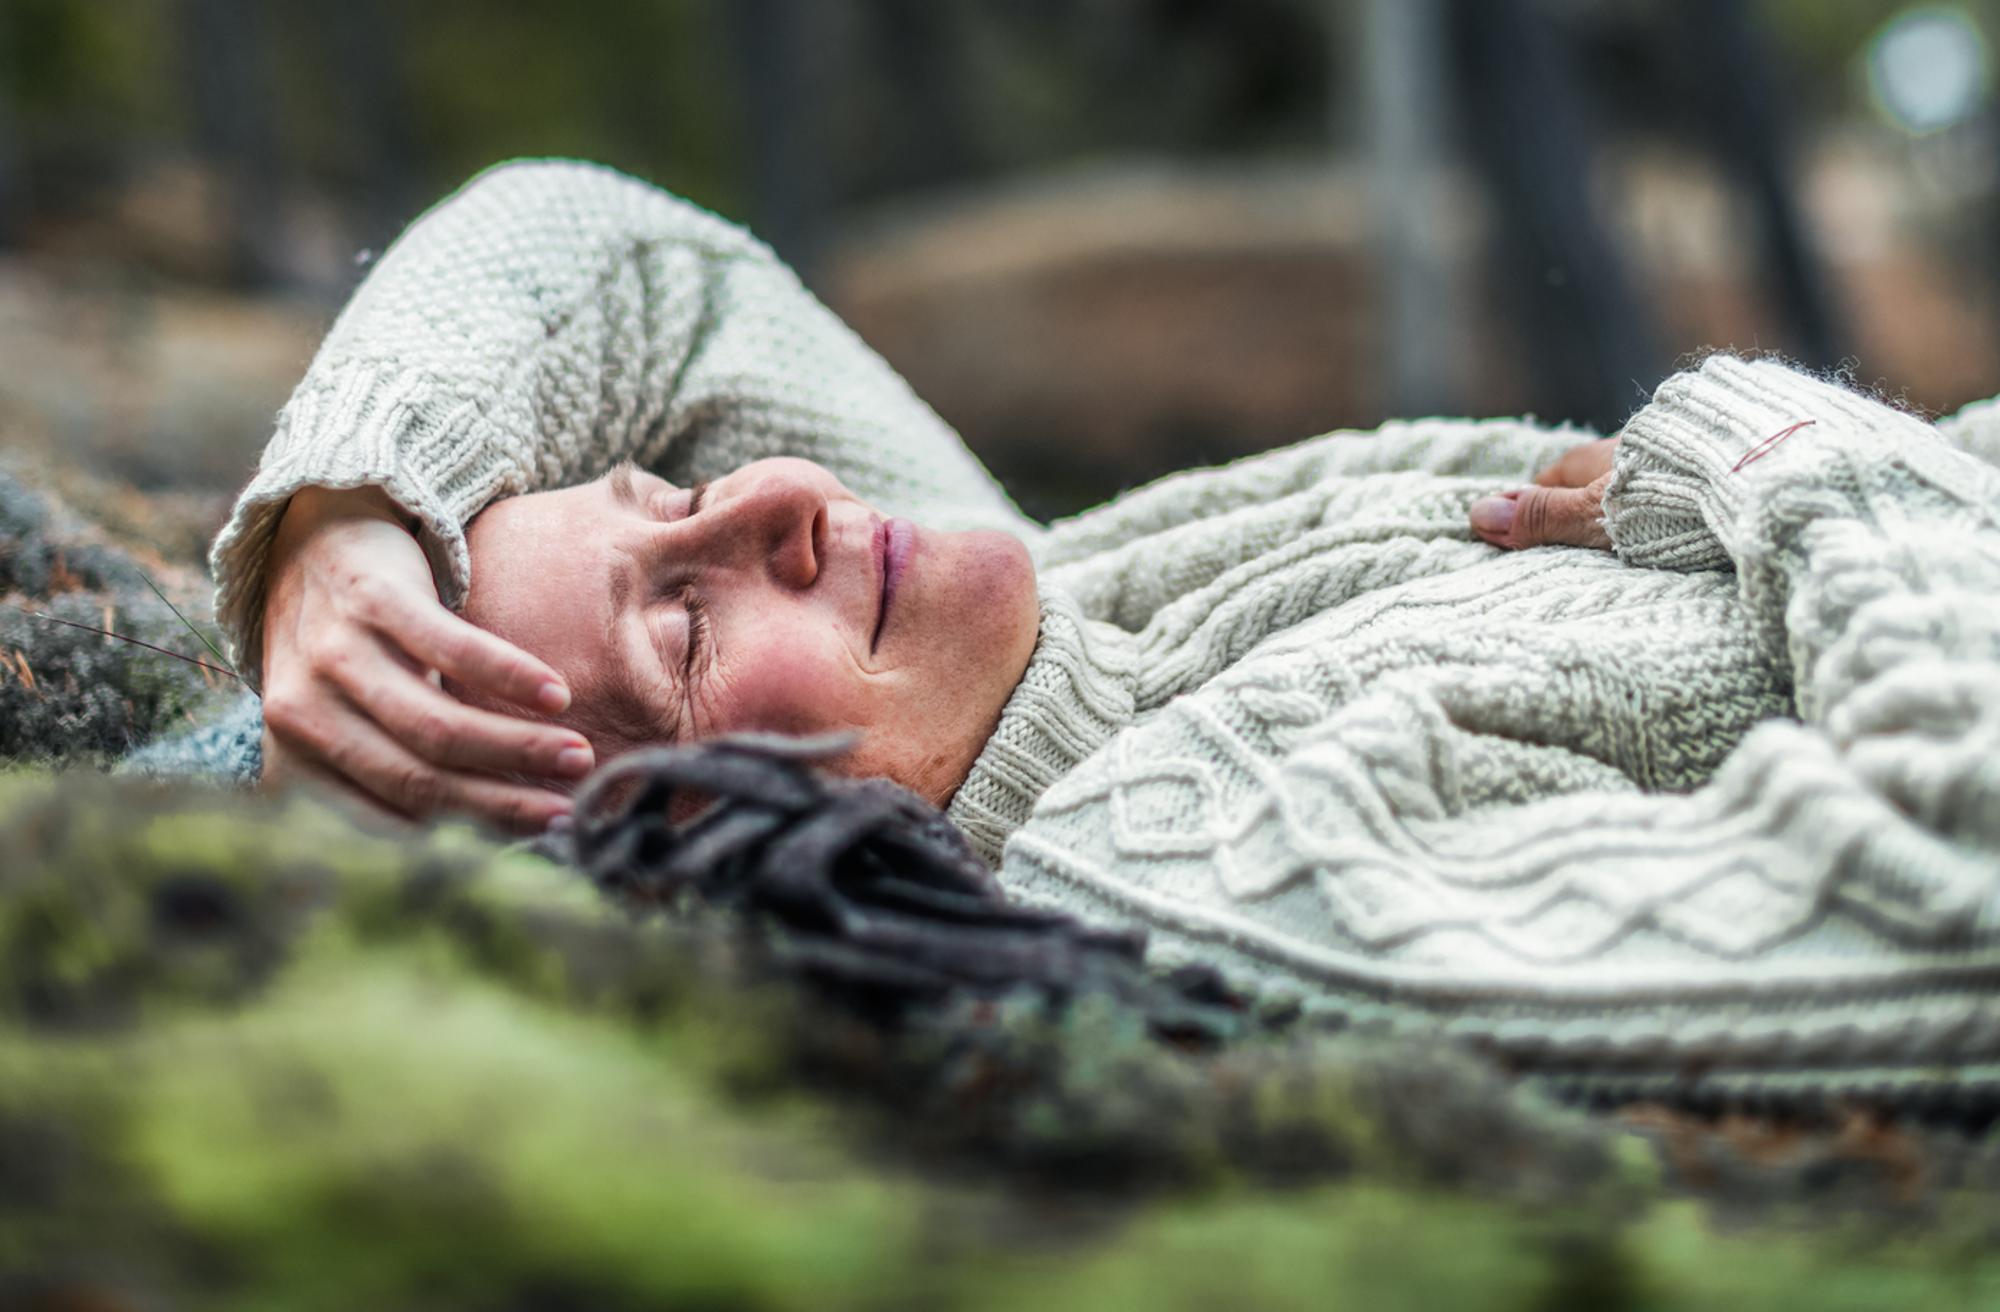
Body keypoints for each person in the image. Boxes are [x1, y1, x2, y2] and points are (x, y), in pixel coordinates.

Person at [174, 159, 2000, 1105]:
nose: (775, 501)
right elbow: (1958, 907)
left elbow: (634, 266)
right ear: (692, 847)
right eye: (683, 631)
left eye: (670, 489)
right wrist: (1774, 459)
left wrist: (348, 513)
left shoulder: (1032, 613)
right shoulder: (1185, 860)